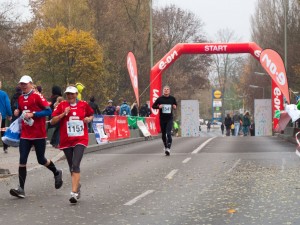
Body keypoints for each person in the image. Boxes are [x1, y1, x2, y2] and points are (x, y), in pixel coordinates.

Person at [9, 75, 63, 199]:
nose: (23, 86)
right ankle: (21, 189)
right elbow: (22, 109)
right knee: (22, 160)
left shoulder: (37, 96)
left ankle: (56, 172)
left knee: (41, 159)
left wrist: (33, 114)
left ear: (31, 84)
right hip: (25, 134)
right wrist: (17, 111)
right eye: (21, 84)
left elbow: (48, 111)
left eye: (25, 84)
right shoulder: (21, 98)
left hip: (38, 134)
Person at [51, 86, 94, 204]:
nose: (70, 96)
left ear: (76, 94)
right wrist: (63, 115)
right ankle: (77, 185)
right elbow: (52, 120)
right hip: (66, 140)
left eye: (72, 94)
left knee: (76, 164)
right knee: (71, 166)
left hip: (80, 138)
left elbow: (91, 115)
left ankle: (74, 193)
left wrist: (88, 119)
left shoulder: (84, 104)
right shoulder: (61, 105)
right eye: (68, 94)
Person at [152, 85, 177, 156]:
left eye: (167, 89)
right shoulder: (160, 99)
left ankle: (168, 148)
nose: (166, 90)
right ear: (163, 91)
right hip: (162, 119)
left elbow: (175, 105)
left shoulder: (172, 98)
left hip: (169, 118)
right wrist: (158, 107)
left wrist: (175, 107)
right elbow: (153, 106)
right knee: (163, 134)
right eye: (165, 89)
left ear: (169, 91)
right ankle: (166, 146)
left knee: (168, 133)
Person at [0, 81, 13, 153]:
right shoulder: (4, 94)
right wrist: (10, 114)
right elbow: (7, 105)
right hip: (2, 116)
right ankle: (5, 147)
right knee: (2, 131)